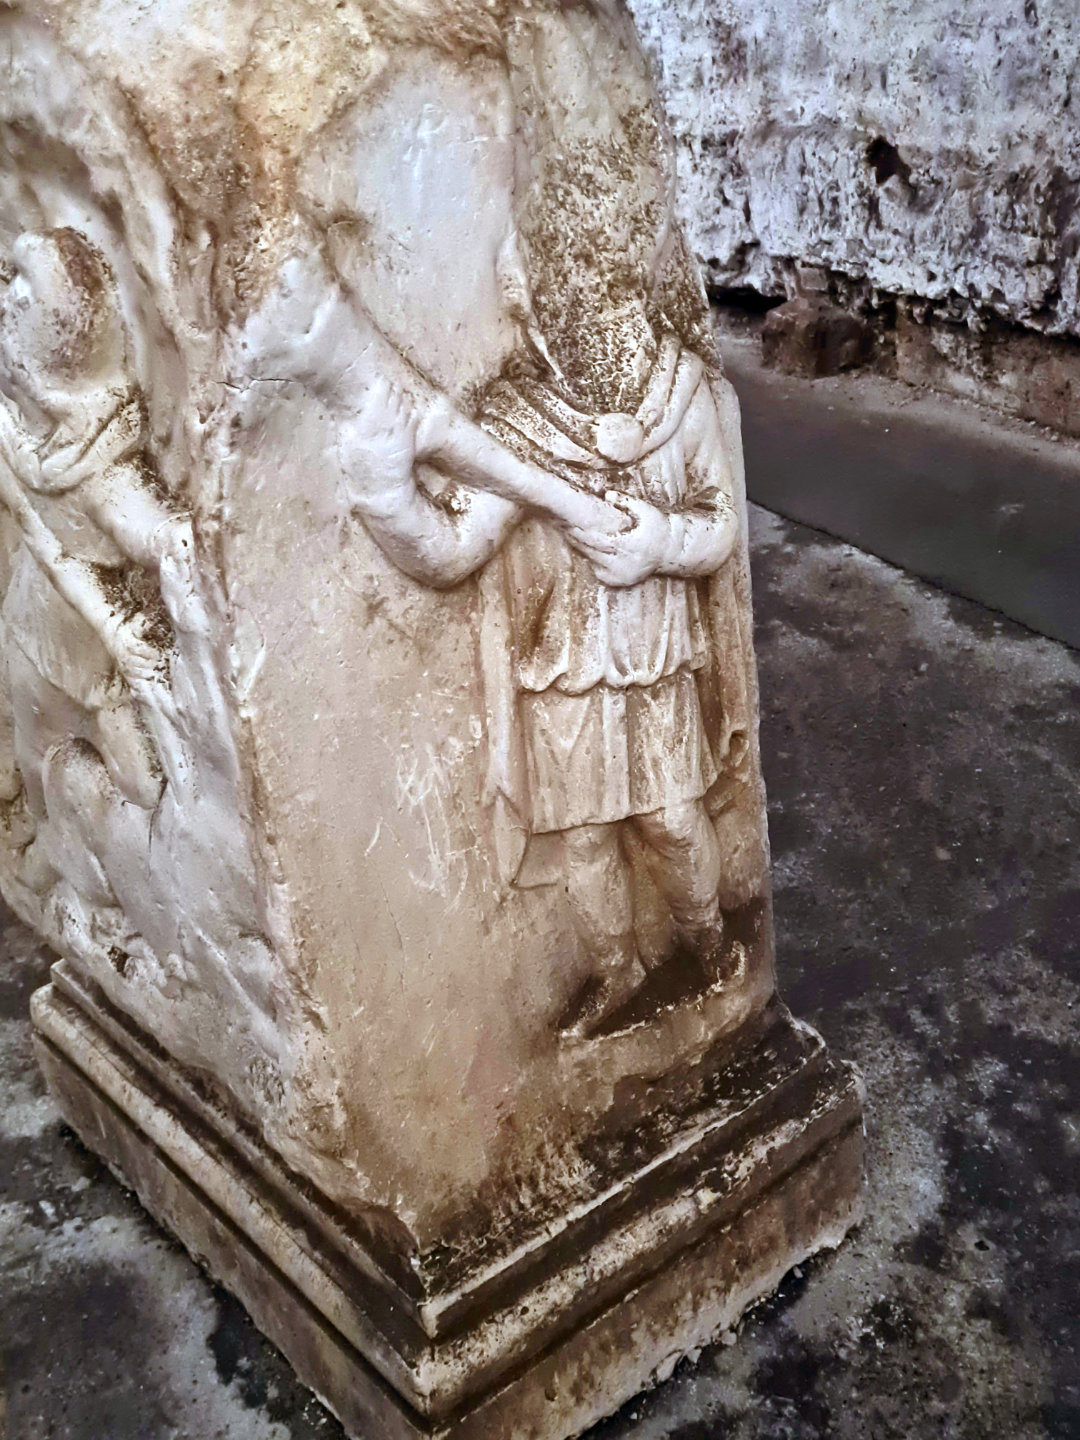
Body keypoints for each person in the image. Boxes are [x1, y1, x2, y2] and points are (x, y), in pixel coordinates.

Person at [339, 283, 748, 1035]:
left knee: (672, 820)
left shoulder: (680, 393)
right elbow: (453, 549)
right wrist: (383, 491)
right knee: (586, 837)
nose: (529, 312)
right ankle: (619, 971)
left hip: (651, 650)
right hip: (562, 660)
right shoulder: (519, 426)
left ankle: (707, 940)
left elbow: (719, 523)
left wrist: (661, 541)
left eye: (540, 295)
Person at [0, 227, 202, 905]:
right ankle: (43, 869)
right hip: (37, 633)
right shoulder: (15, 434)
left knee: (151, 787)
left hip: (104, 667)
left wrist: (183, 544)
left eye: (17, 287)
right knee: (33, 759)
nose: (3, 293)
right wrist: (115, 625)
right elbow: (43, 539)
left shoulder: (103, 459)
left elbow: (154, 533)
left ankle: (164, 908)